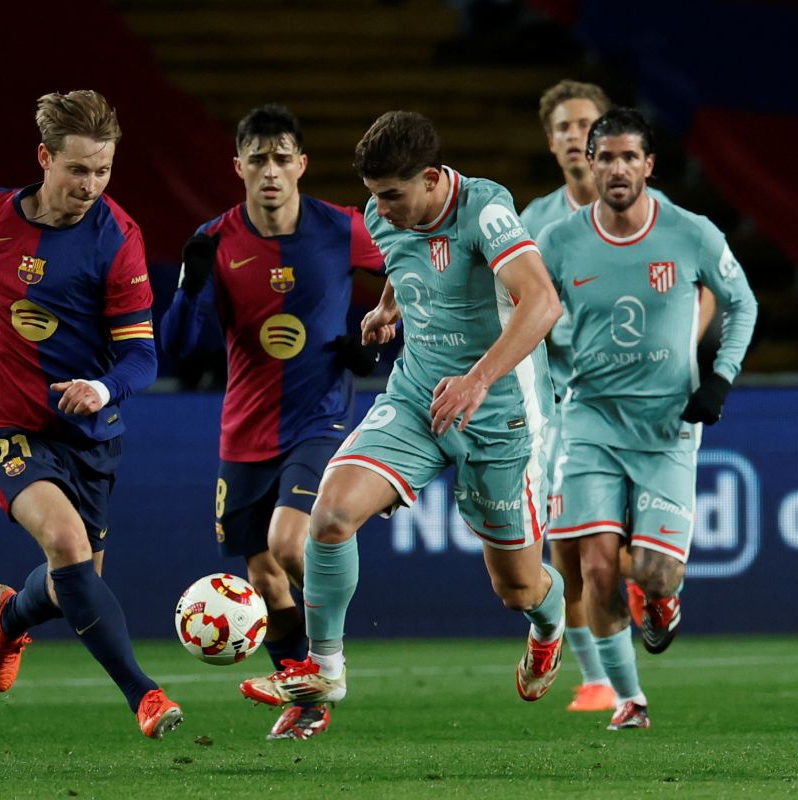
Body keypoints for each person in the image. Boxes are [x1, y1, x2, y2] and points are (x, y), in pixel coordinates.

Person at [239, 110, 566, 718]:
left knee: (517, 586)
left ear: (433, 179)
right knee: (330, 515)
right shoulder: (381, 213)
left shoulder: (484, 210)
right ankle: (326, 670)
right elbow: (403, 261)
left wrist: (476, 381)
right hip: (417, 397)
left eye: (393, 195)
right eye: (374, 197)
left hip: (501, 415)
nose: (381, 210)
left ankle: (549, 626)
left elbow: (542, 301)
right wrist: (390, 307)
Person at [0, 90, 182, 740]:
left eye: (103, 171)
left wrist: (103, 390)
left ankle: (10, 615)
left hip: (88, 433)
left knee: (70, 585)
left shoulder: (118, 240)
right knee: (66, 545)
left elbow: (141, 356)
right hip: (4, 422)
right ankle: (146, 694)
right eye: (79, 170)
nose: (91, 185)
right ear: (45, 158)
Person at [160, 104, 385, 741]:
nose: (270, 170)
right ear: (238, 167)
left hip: (319, 420)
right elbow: (180, 343)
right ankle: (308, 699)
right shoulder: (216, 239)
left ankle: (327, 661)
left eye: (282, 157)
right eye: (257, 158)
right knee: (261, 575)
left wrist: (378, 333)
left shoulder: (341, 228)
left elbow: (409, 274)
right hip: (245, 430)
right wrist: (189, 285)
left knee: (292, 545)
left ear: (301, 165)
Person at [538, 107, 758, 730]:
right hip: (590, 422)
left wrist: (719, 378)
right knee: (596, 565)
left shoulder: (691, 233)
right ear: (589, 161)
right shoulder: (560, 242)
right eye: (604, 156)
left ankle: (660, 601)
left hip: (666, 426)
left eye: (628, 157)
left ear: (649, 165)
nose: (615, 168)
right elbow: (524, 310)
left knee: (657, 573)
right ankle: (629, 699)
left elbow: (743, 304)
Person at [520, 79, 714, 713]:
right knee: (573, 551)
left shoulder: (661, 221)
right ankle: (599, 679)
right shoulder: (536, 225)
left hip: (649, 402)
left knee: (639, 557)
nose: (581, 138)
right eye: (568, 128)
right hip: (566, 405)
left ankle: (652, 592)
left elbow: (705, 285)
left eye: (591, 126)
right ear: (554, 144)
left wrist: (682, 344)